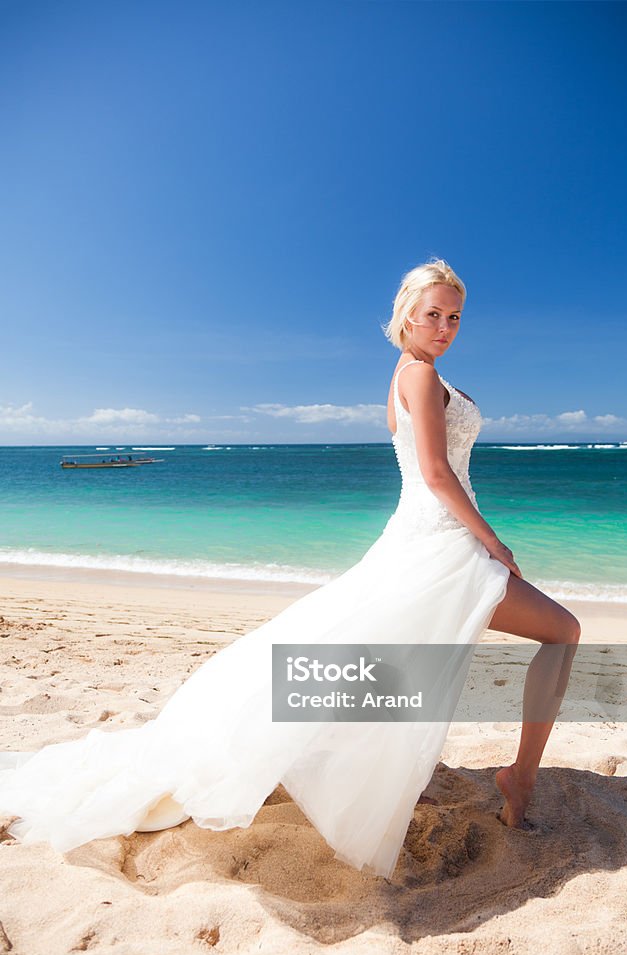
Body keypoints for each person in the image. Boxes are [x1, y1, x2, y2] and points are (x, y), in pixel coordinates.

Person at [0, 258, 580, 880]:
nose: (444, 326)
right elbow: (436, 474)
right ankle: (518, 780)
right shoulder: (415, 375)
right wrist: (494, 542)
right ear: (407, 314)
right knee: (560, 631)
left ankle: (440, 772)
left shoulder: (410, 375)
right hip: (441, 539)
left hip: (426, 537)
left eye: (455, 317)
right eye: (433, 313)